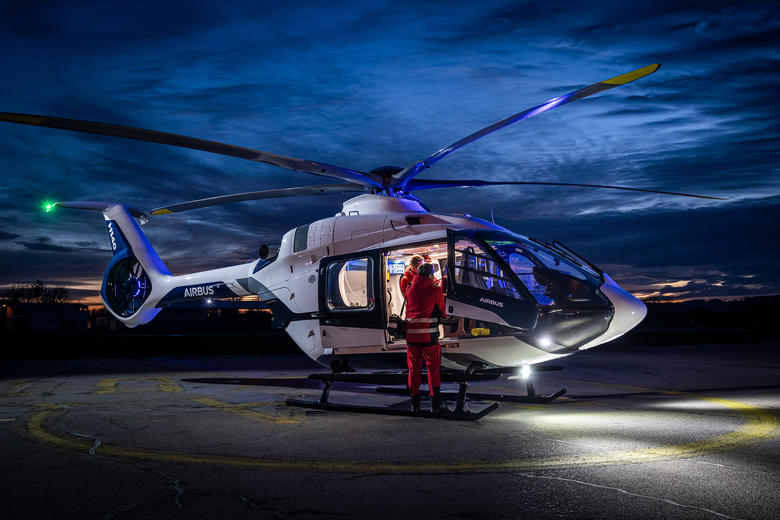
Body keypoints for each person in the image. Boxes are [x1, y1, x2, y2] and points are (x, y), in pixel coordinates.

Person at [405, 262, 448, 413]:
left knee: (414, 370)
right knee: (433, 369)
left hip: (411, 337)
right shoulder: (435, 290)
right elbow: (443, 313)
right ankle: (435, 404)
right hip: (428, 337)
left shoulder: (410, 288)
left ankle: (414, 403)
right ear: (430, 275)